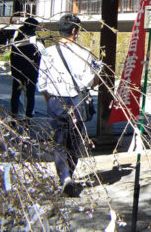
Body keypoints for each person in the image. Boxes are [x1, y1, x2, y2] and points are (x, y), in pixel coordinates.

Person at [37, 13, 99, 196]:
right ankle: (68, 174)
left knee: (59, 141)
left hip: (55, 101)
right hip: (76, 102)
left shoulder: (48, 52)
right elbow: (90, 82)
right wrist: (98, 76)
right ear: (74, 30)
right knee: (74, 141)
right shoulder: (84, 52)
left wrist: (49, 101)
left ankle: (64, 177)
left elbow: (42, 82)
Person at [10, 17, 43, 117]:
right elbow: (40, 56)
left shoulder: (18, 38)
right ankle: (29, 117)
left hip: (18, 70)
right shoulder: (36, 39)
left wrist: (13, 70)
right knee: (30, 95)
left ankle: (14, 116)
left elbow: (13, 56)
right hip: (31, 71)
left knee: (16, 94)